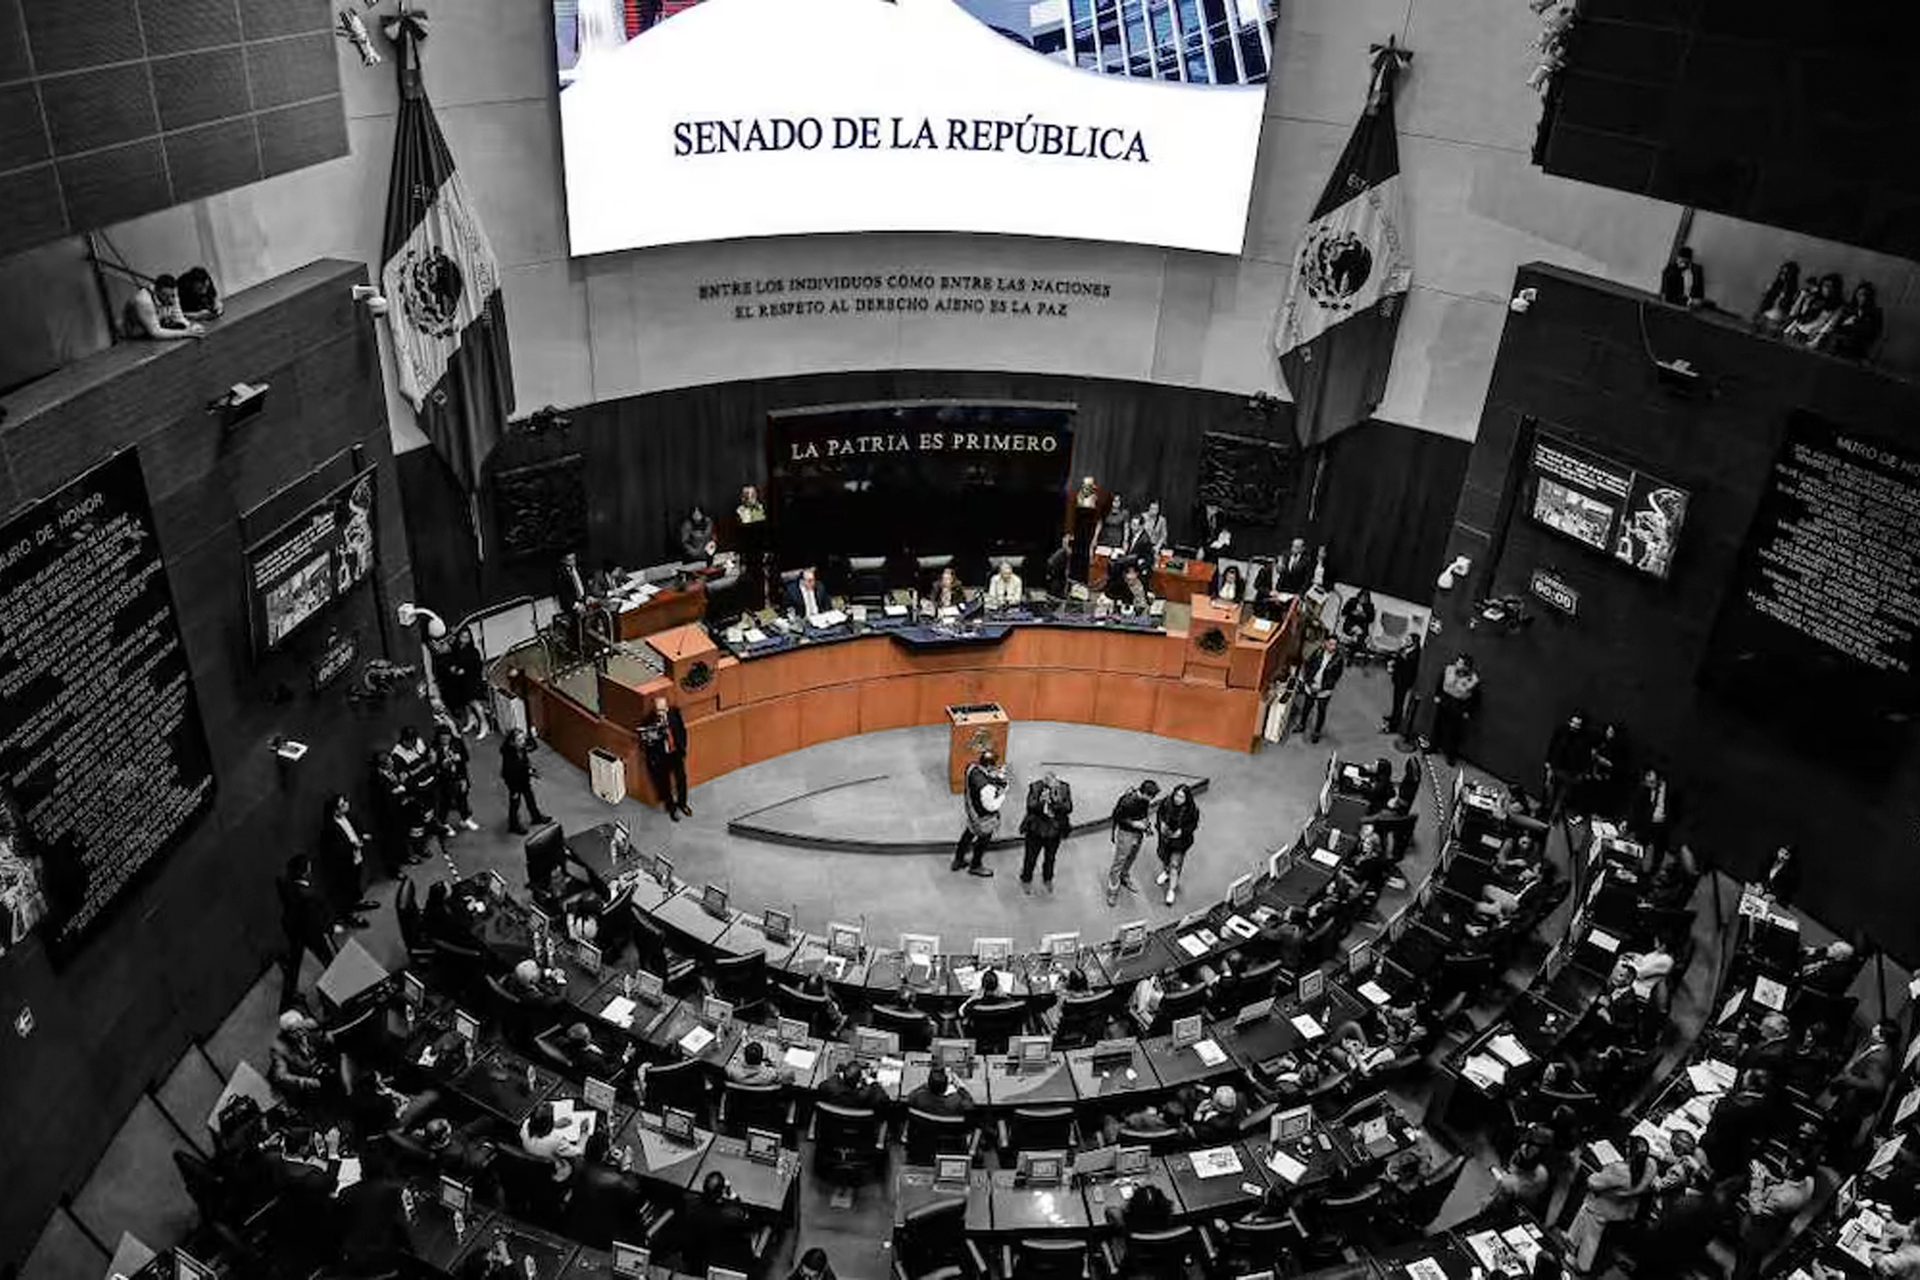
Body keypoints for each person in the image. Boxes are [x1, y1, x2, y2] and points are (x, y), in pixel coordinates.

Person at [1567, 1135, 1653, 1274]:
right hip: (1620, 1208)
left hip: (1601, 1208)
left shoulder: (1619, 1171)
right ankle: (1570, 1245)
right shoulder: (1649, 1168)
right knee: (1583, 1225)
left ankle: (1583, 1267)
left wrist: (1607, 1169)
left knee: (1591, 1237)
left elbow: (1593, 1182)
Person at [1736, 1152, 1814, 1280]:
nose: (1781, 1162)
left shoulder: (1781, 1198)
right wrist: (1768, 1176)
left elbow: (1756, 1208)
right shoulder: (1809, 1181)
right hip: (1778, 1224)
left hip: (1759, 1227)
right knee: (1755, 1258)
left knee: (1747, 1257)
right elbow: (1785, 1186)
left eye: (1784, 1162)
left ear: (1789, 1171)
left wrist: (1757, 1179)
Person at [276, 855, 335, 1008]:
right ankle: (339, 992)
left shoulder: (287, 886)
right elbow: (315, 918)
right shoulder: (308, 895)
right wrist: (329, 928)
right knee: (331, 960)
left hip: (295, 932)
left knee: (293, 968)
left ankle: (288, 1000)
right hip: (311, 933)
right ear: (304, 872)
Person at [319, 793, 377, 927]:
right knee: (347, 889)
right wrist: (353, 845)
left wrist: (362, 835)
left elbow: (354, 830)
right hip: (344, 863)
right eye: (342, 804)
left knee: (356, 881)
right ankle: (349, 915)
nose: (346, 805)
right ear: (335, 810)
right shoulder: (330, 828)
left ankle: (358, 903)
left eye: (345, 801)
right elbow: (334, 849)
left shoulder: (348, 816)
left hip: (356, 857)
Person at [950, 748, 1007, 877]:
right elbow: (991, 806)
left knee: (968, 834)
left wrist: (995, 776)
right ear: (989, 766)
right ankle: (975, 866)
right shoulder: (986, 787)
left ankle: (958, 860)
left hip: (972, 810)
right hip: (983, 817)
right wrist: (1002, 795)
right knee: (983, 841)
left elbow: (981, 778)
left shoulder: (971, 768)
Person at [680, 1172, 750, 1273]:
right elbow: (745, 1215)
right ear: (722, 1191)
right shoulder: (730, 1215)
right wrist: (732, 1195)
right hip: (719, 1259)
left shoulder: (690, 1205)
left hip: (694, 1258)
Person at [1018, 769, 1073, 892]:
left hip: (1054, 831)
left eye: (1052, 782)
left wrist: (1055, 802)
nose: (1049, 784)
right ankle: (1026, 879)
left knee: (1050, 858)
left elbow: (1069, 807)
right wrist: (1041, 801)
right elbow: (1030, 806)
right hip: (1036, 830)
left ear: (1056, 781)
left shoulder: (1064, 788)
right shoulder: (1035, 787)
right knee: (1030, 857)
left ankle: (1047, 878)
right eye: (1046, 781)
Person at [1105, 779, 1158, 905]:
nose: (1151, 800)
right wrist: (1134, 824)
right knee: (1120, 860)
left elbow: (1144, 813)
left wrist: (1146, 825)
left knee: (1132, 856)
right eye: (1151, 797)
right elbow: (1116, 817)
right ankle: (1112, 890)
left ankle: (1124, 876)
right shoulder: (1127, 801)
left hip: (1138, 832)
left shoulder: (1144, 800)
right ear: (1145, 793)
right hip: (1126, 833)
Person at [639, 695, 691, 820]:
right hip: (661, 756)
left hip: (675, 753)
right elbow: (646, 741)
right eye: (658, 711)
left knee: (681, 779)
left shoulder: (674, 713)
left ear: (666, 707)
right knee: (665, 783)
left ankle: (682, 804)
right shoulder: (650, 720)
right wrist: (652, 738)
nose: (661, 713)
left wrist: (683, 747)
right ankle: (671, 808)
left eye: (663, 710)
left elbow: (682, 730)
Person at [269, 1009, 337, 1101]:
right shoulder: (279, 1048)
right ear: (286, 1033)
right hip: (308, 1088)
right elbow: (282, 1076)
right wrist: (307, 1083)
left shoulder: (312, 1028)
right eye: (294, 1032)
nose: (300, 1034)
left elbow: (330, 1045)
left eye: (301, 1028)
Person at [1154, 783, 1200, 906]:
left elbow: (1193, 825)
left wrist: (1182, 832)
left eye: (1181, 797)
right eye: (1177, 795)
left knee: (1175, 864)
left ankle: (1171, 890)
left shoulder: (1191, 810)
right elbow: (1159, 814)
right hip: (1165, 838)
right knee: (1164, 857)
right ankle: (1166, 872)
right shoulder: (1166, 802)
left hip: (1180, 842)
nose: (1178, 799)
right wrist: (1161, 824)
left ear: (1187, 798)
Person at [1430, 653, 1480, 764]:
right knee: (1437, 726)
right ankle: (1433, 747)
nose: (1458, 664)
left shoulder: (1472, 679)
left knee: (1453, 733)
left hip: (1458, 706)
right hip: (1445, 700)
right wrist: (1437, 695)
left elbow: (1474, 698)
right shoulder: (1449, 670)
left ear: (1467, 667)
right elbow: (1440, 681)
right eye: (1458, 661)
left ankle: (1450, 755)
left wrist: (1467, 711)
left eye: (1461, 663)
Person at [438, 627, 489, 737]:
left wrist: (464, 670)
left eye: (466, 637)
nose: (464, 639)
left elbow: (477, 666)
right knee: (466, 702)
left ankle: (484, 724)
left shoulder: (473, 651)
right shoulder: (456, 649)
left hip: (472, 680)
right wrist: (455, 669)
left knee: (474, 702)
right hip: (461, 680)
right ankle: (471, 720)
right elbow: (451, 659)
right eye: (462, 636)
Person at [520, 1100, 589, 1179]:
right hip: (551, 1166)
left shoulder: (526, 1126)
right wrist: (584, 1131)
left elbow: (537, 1127)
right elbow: (579, 1150)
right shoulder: (556, 1142)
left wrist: (554, 1124)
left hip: (532, 1157)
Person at [1295, 636, 1345, 744]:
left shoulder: (1338, 659)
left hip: (1324, 691)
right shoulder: (1318, 652)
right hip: (1311, 686)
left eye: (1335, 645)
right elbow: (1308, 666)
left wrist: (1321, 688)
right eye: (1330, 644)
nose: (1332, 647)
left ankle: (1317, 732)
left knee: (1321, 711)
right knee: (1307, 707)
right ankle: (1302, 725)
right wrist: (1309, 682)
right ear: (1326, 643)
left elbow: (1335, 677)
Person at [431, 723, 478, 833]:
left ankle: (465, 819)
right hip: (444, 780)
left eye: (447, 737)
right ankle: (443, 823)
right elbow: (433, 767)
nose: (445, 740)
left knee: (462, 799)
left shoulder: (457, 743)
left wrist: (459, 758)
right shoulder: (434, 749)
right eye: (443, 738)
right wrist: (441, 764)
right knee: (445, 803)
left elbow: (466, 757)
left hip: (459, 776)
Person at [124, 274, 202, 340]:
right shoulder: (144, 300)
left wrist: (191, 327)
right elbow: (155, 332)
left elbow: (179, 317)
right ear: (156, 291)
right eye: (166, 297)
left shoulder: (172, 292)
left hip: (151, 333)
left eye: (173, 296)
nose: (171, 300)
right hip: (133, 338)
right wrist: (186, 333)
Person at [1543, 711, 1591, 818]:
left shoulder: (1584, 739)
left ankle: (1553, 816)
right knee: (1549, 792)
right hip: (1556, 767)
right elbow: (1553, 746)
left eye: (1577, 724)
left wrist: (1581, 773)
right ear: (1569, 721)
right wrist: (1548, 761)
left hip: (1569, 772)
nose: (1574, 726)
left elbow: (1585, 757)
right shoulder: (1561, 731)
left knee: (1561, 796)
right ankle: (1546, 812)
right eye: (1573, 723)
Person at [501, 727, 548, 834]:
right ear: (512, 742)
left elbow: (531, 750)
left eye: (523, 738)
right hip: (514, 783)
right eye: (519, 740)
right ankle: (513, 825)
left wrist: (530, 770)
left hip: (524, 779)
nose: (523, 741)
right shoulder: (508, 756)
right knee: (515, 804)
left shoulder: (521, 748)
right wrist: (513, 790)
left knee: (530, 799)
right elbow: (507, 774)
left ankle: (536, 818)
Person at [1826, 280, 1884, 359]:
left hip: (1859, 349)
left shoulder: (1875, 313)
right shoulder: (1848, 309)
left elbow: (1872, 334)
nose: (1861, 298)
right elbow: (1836, 326)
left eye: (1864, 295)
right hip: (1840, 346)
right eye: (1859, 294)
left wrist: (1855, 322)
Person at [1784, 272, 1844, 345]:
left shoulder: (1837, 305)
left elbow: (1829, 325)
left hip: (1811, 337)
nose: (1827, 289)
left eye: (1831, 287)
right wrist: (1802, 298)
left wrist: (1816, 340)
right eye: (1825, 286)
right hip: (1796, 330)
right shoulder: (1814, 298)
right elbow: (1798, 315)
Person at [1624, 766, 1672, 856]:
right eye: (1646, 776)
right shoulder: (1643, 791)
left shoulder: (1669, 791)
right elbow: (1635, 811)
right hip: (1646, 828)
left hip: (1664, 830)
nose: (1647, 779)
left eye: (1649, 775)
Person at [1382, 633, 1421, 734]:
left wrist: (1402, 658)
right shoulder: (1404, 649)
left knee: (1399, 702)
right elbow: (1398, 658)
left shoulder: (1416, 653)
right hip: (1398, 678)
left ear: (1414, 642)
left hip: (1404, 682)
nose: (1406, 641)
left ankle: (1395, 726)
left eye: (1409, 639)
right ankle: (1393, 716)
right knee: (1396, 701)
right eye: (1407, 639)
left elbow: (1410, 667)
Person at [818, 1058, 889, 1111]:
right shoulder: (865, 1096)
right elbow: (885, 1100)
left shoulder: (831, 1088)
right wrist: (873, 1082)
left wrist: (838, 1076)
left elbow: (821, 1086)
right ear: (858, 1083)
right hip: (859, 1126)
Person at [1752, 260, 1800, 336]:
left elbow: (1791, 311)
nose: (1783, 276)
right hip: (1766, 316)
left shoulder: (1794, 293)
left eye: (1787, 274)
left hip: (1777, 320)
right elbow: (1765, 301)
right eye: (1782, 273)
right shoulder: (1775, 286)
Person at [906, 1063, 973, 1115]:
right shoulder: (954, 1102)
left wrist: (924, 1086)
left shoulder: (920, 1098)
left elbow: (910, 1096)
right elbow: (969, 1102)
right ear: (946, 1086)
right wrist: (959, 1086)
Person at [726, 1038, 792, 1085]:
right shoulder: (770, 1075)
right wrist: (774, 1064)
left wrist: (738, 1060)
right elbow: (789, 1077)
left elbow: (728, 1068)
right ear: (762, 1057)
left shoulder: (732, 1071)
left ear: (744, 1056)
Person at [1045, 533, 1074, 597]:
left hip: (1060, 575)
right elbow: (1050, 562)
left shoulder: (1067, 552)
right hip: (1056, 576)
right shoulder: (1061, 552)